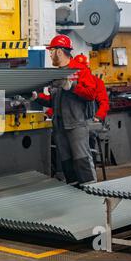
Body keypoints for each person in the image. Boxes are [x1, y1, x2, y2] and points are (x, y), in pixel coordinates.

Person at [32, 35, 98, 187]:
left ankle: (92, 192)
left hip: (76, 124)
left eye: (52, 51)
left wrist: (72, 87)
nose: (50, 54)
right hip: (60, 125)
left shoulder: (80, 70)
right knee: (67, 162)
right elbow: (53, 101)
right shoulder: (56, 74)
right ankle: (74, 191)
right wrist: (36, 97)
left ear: (60, 52)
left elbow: (91, 94)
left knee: (82, 159)